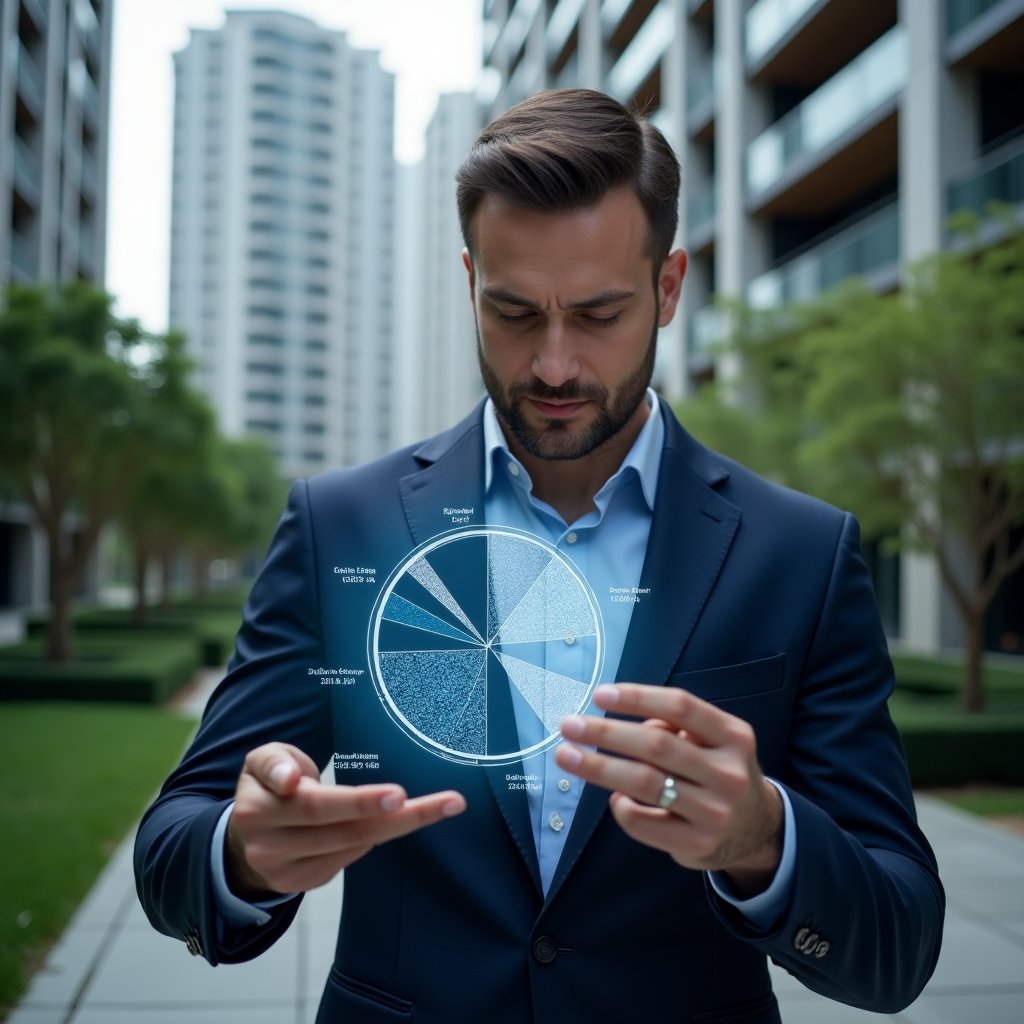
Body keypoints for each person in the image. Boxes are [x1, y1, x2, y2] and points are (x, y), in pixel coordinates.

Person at [135, 89, 944, 1023]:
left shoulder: (801, 553)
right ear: (470, 282)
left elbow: (898, 945)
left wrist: (766, 838)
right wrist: (240, 852)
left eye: (598, 315)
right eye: (515, 312)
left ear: (669, 287)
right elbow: (173, 843)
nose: (554, 365)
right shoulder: (341, 527)